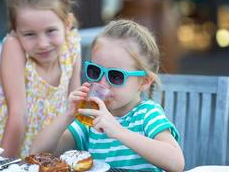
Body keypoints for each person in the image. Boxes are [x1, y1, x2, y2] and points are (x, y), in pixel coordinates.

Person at [30, 19, 185, 171]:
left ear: (144, 81)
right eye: (95, 71)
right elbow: (38, 153)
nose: (102, 83)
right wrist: (68, 114)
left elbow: (176, 163)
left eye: (115, 75)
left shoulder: (147, 114)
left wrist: (119, 131)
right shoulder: (90, 119)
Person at [0, 0, 81, 159]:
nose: (42, 44)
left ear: (67, 24)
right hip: (9, 150)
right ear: (15, 31)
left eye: (50, 31)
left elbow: (75, 105)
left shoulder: (72, 44)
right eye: (29, 34)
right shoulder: (14, 47)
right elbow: (18, 115)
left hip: (50, 150)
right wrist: (4, 165)